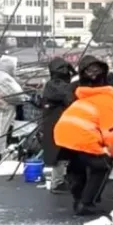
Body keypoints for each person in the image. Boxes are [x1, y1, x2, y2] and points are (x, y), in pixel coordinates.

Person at [53, 55, 113, 216]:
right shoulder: (108, 101)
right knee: (102, 166)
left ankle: (78, 199)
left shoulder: (85, 95)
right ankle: (86, 203)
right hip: (80, 135)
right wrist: (112, 153)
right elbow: (110, 133)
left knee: (77, 165)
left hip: (63, 133)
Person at [39, 57, 76, 193]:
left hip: (56, 123)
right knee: (59, 153)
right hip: (57, 124)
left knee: (62, 153)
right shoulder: (56, 85)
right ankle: (57, 182)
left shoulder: (52, 84)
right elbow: (70, 99)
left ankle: (60, 180)